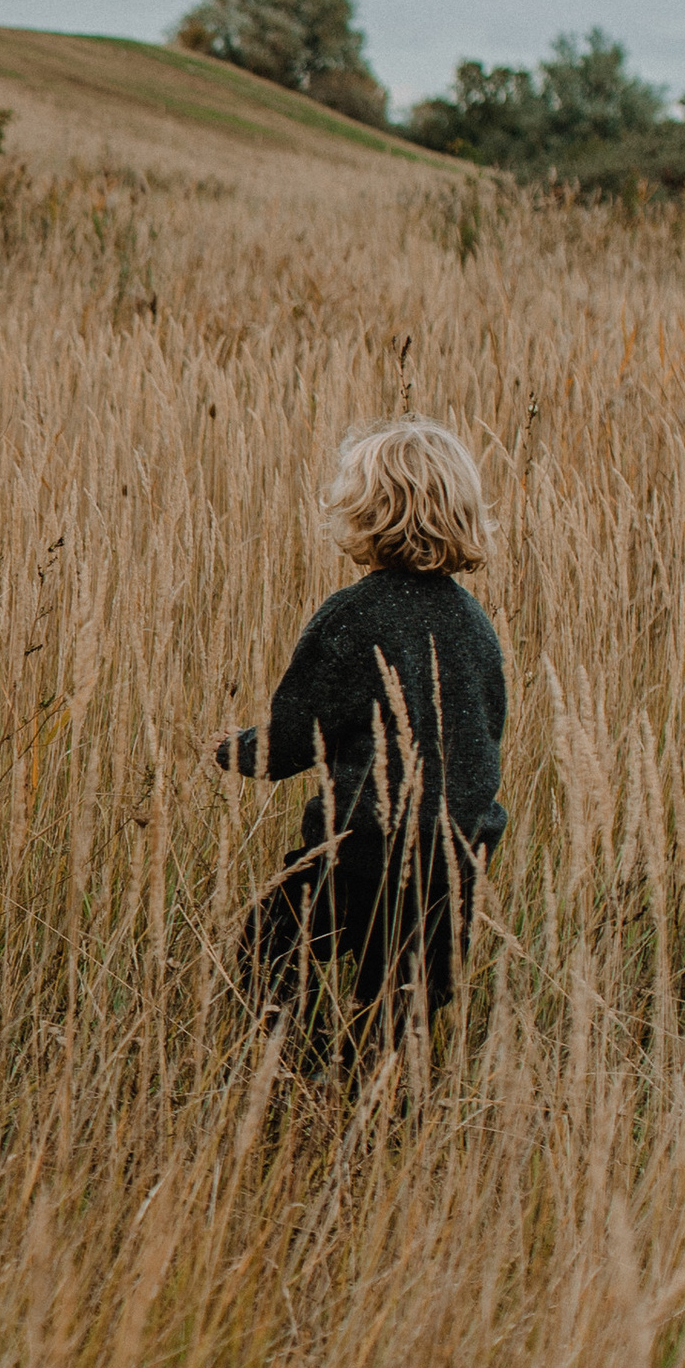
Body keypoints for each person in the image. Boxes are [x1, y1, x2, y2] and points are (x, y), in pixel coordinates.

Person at [217, 416, 506, 1046]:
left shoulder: (352, 615)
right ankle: (374, 1113)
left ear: (366, 515)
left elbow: (290, 741)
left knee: (267, 945)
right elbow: (489, 732)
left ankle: (294, 1065)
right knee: (396, 1024)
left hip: (362, 855)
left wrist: (229, 749)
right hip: (457, 861)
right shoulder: (475, 623)